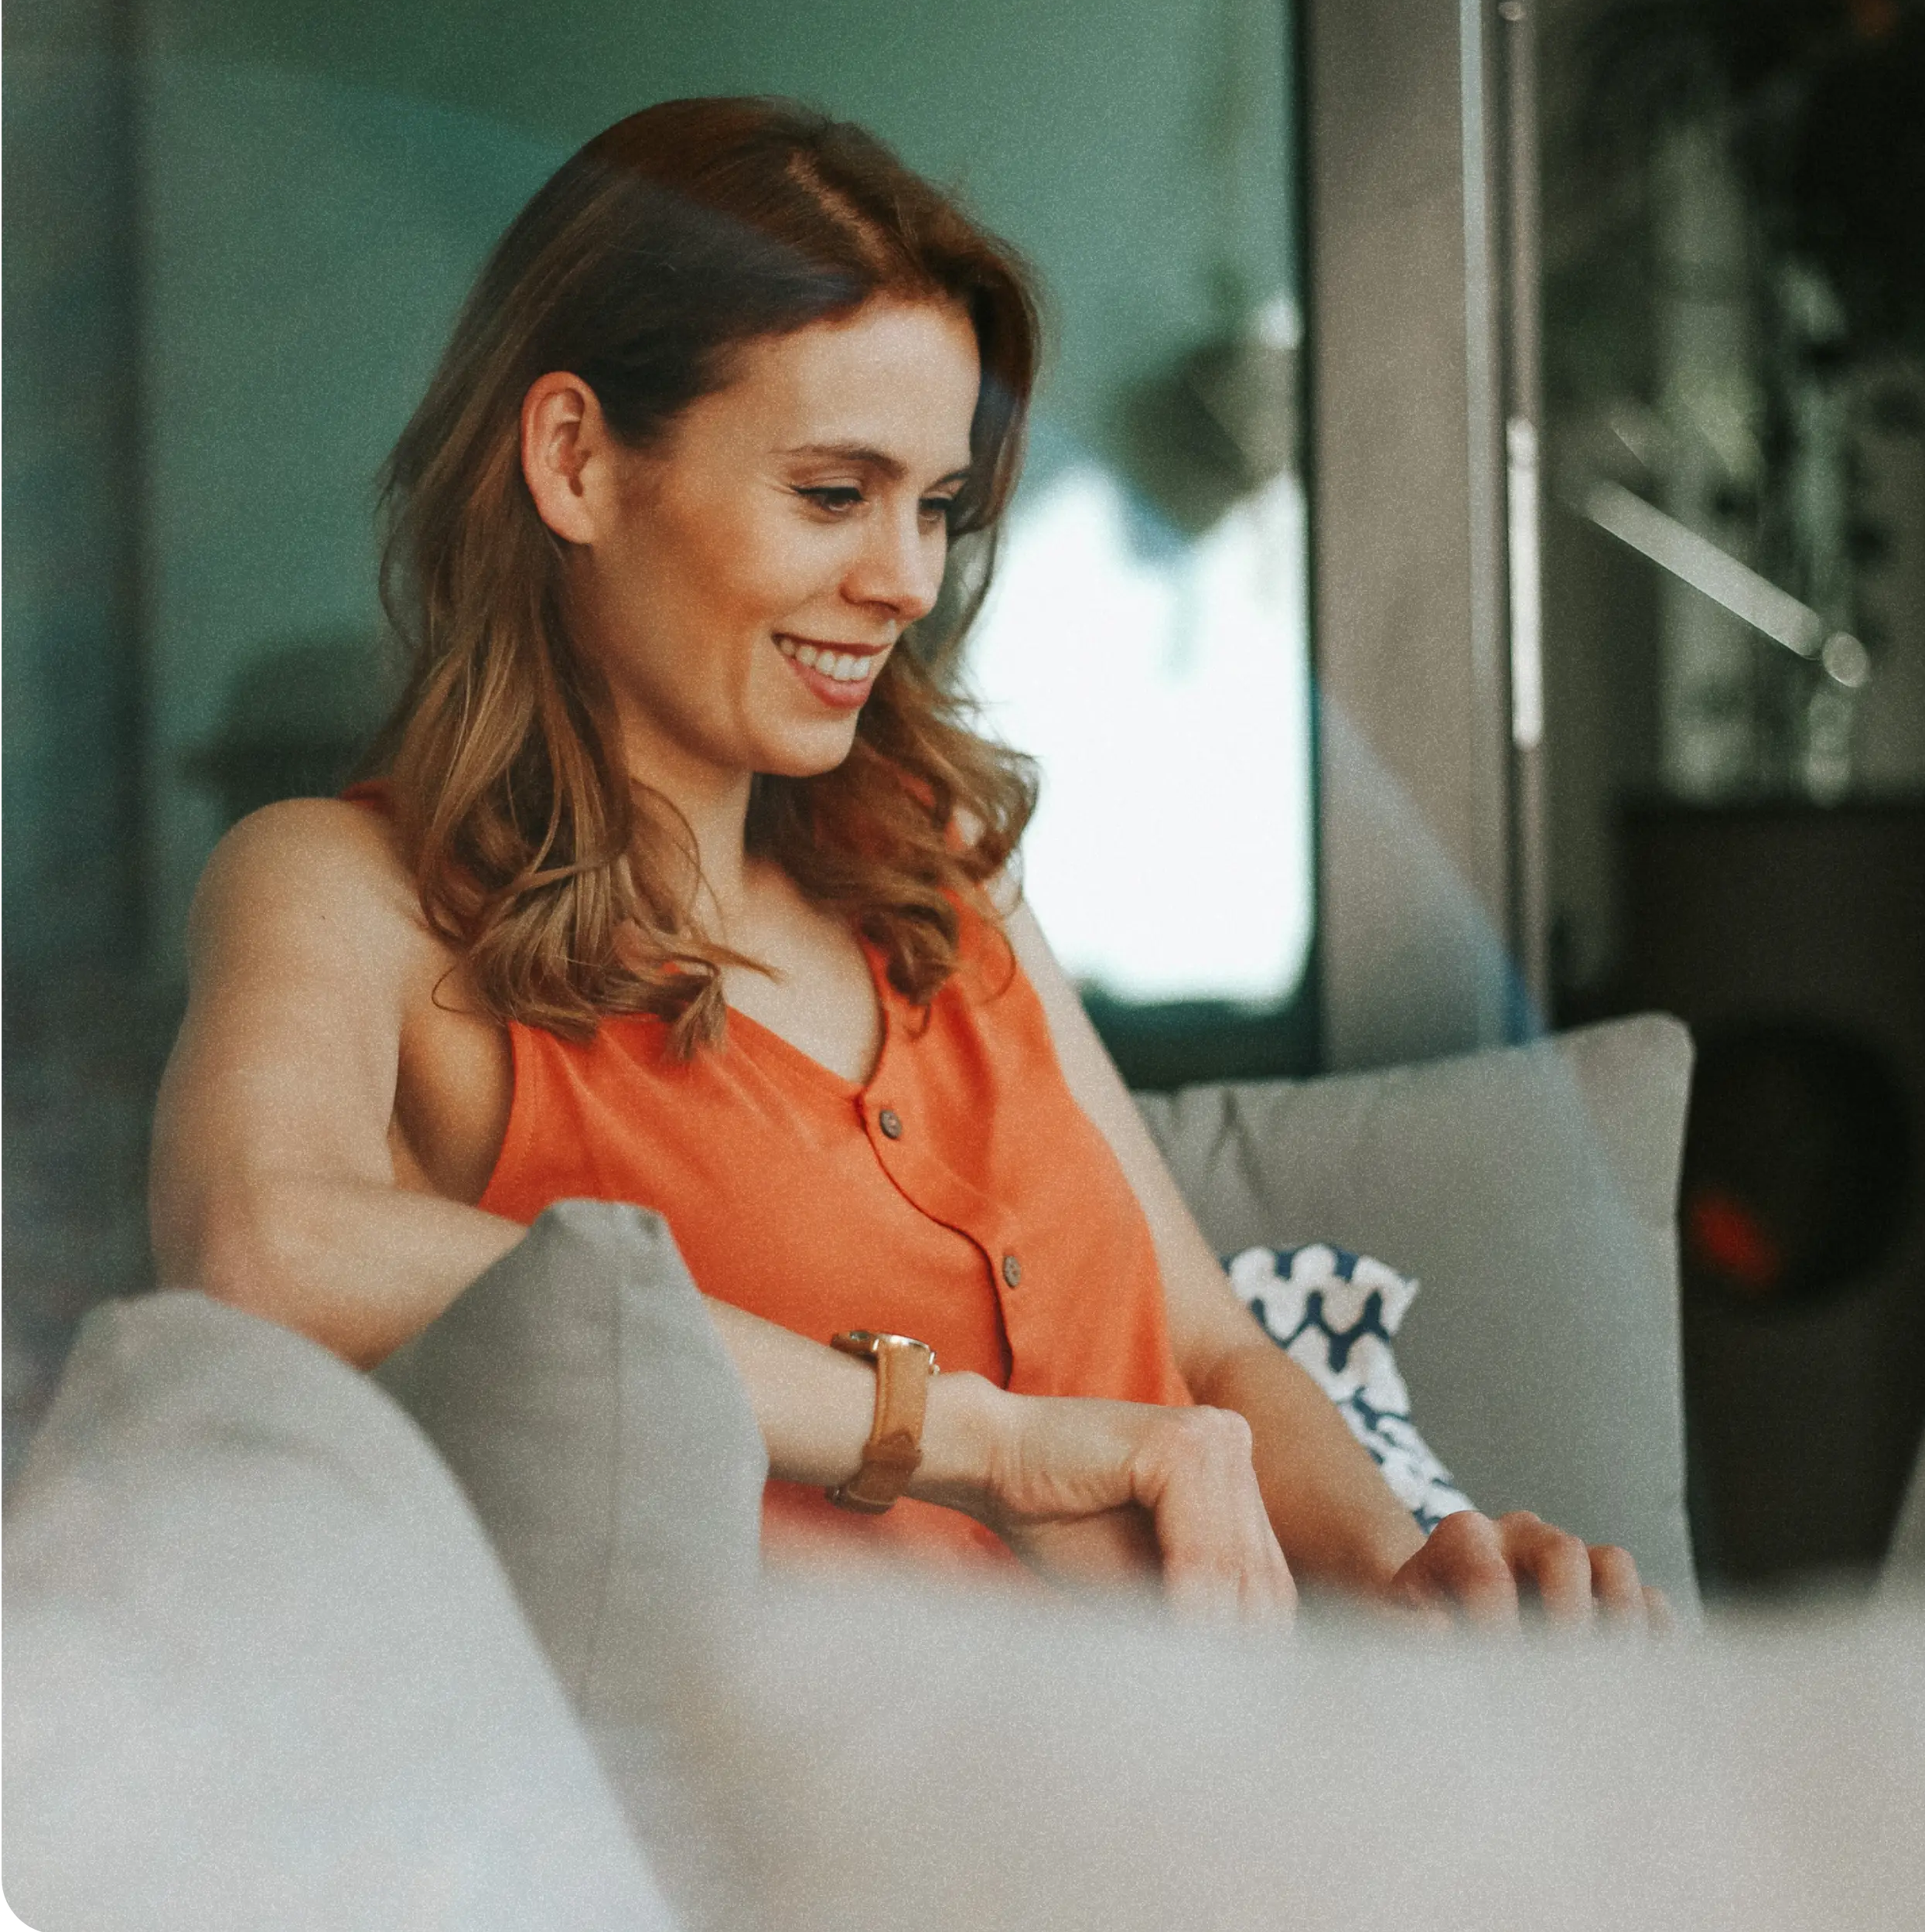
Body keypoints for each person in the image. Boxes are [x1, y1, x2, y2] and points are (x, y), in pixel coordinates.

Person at [150, 97, 1664, 1632]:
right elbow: (260, 1242)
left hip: (1249, 1766)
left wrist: (1424, 1580)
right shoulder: (346, 894)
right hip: (887, 1818)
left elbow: (1206, 1355)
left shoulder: (938, 872)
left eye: (936, 507)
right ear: (575, 462)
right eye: (832, 493)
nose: (904, 581)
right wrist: (972, 1441)